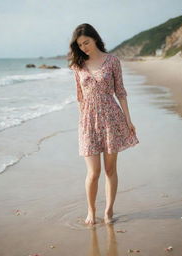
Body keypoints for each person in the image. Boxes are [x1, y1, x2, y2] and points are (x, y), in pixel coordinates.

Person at [68, 23, 139, 225]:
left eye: (87, 42)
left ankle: (108, 211)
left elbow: (121, 92)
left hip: (111, 118)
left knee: (110, 170)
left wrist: (128, 119)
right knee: (93, 172)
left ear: (95, 39)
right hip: (88, 122)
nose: (84, 47)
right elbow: (80, 97)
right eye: (80, 45)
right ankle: (91, 211)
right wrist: (82, 124)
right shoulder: (78, 65)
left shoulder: (112, 61)